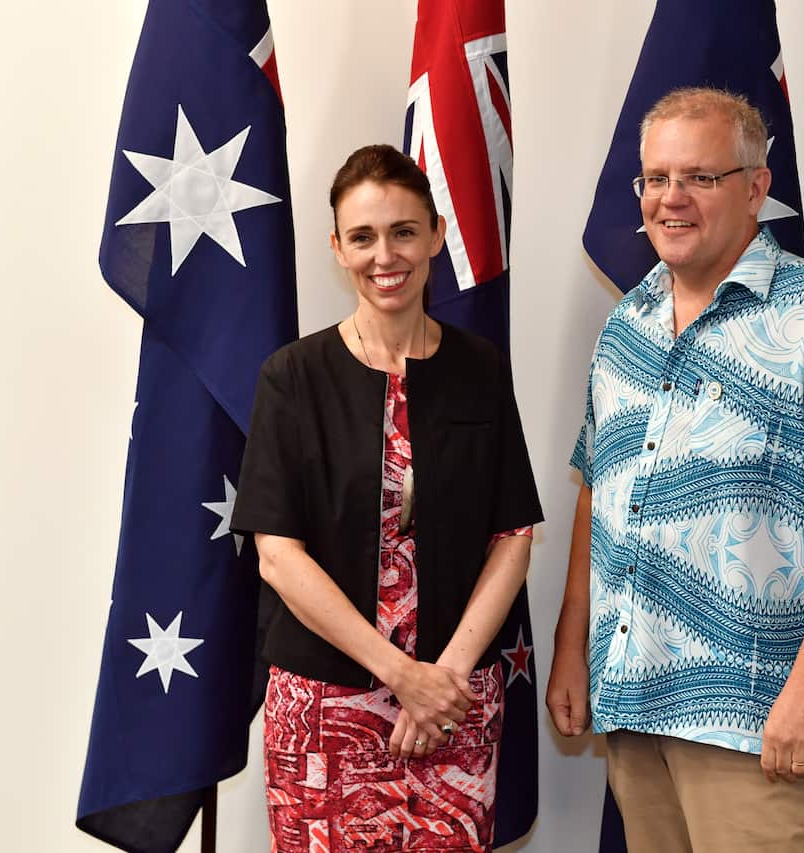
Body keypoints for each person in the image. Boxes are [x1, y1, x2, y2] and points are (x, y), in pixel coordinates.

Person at [546, 88, 804, 852]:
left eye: (700, 177)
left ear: (755, 187)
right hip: (635, 703)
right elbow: (599, 491)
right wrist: (571, 646)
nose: (671, 198)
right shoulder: (625, 326)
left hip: (760, 720)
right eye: (655, 178)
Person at [231, 144, 542, 853]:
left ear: (436, 234)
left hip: (454, 702)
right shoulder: (292, 377)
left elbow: (513, 535)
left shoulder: (481, 369)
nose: (384, 255)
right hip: (326, 713)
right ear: (337, 248)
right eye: (363, 237)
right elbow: (278, 557)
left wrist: (444, 680)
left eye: (403, 231)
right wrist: (402, 675)